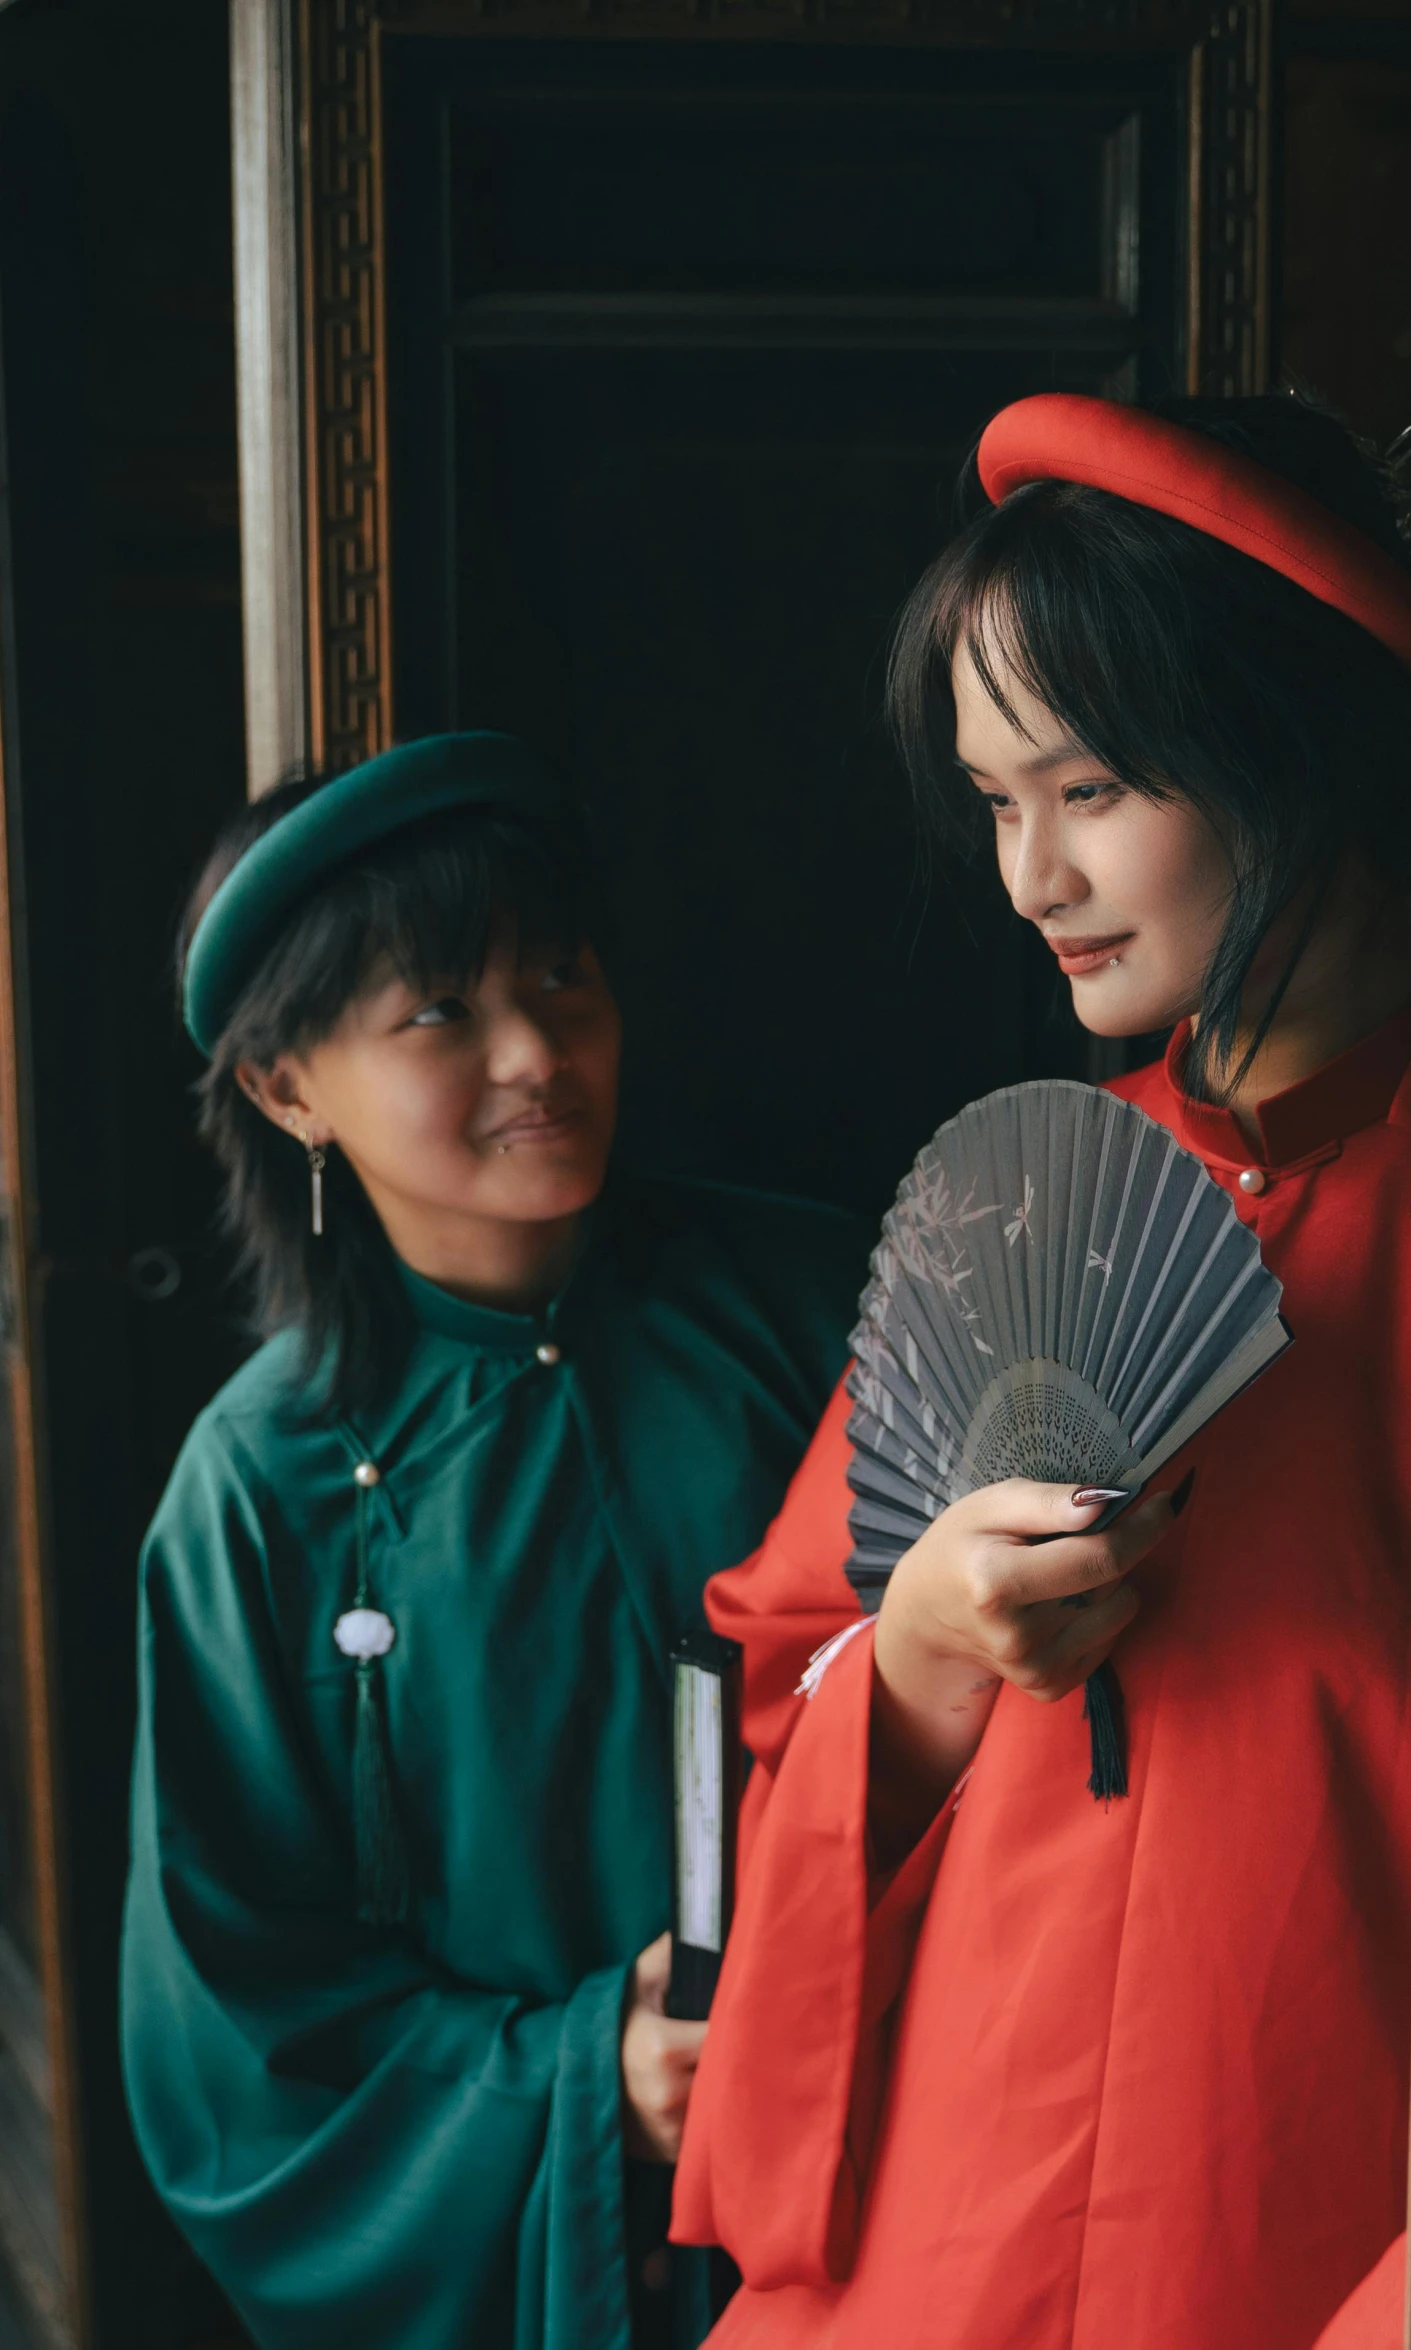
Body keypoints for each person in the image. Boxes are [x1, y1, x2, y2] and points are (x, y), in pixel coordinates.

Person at [670, 394, 1411, 2350]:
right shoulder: (1031, 1205)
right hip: (956, 2203)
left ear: (1299, 748)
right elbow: (774, 1680)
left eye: (1088, 786)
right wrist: (921, 1643)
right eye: (996, 798)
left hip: (1308, 2213)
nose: (1030, 873)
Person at [120, 732, 870, 2350]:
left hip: (884, 2166)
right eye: (443, 1009)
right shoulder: (259, 1492)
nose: (538, 1048)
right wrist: (587, 2074)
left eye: (564, 978)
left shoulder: (828, 1316)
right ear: (285, 1082)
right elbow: (237, 2045)